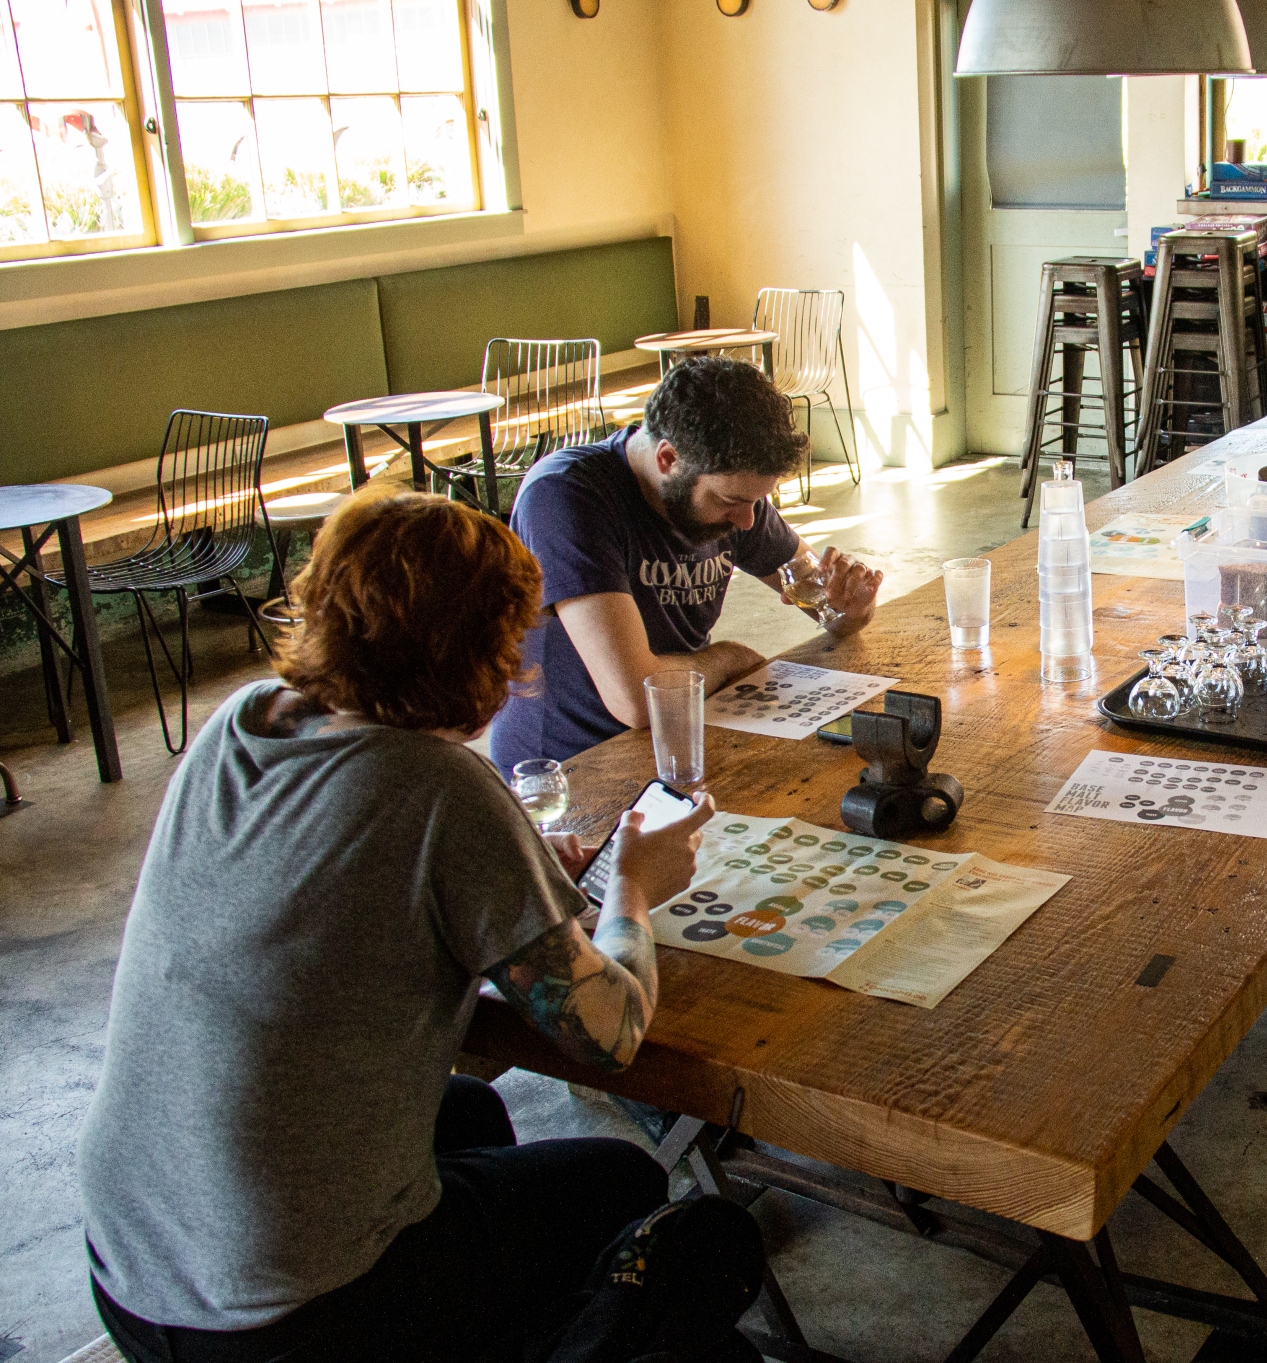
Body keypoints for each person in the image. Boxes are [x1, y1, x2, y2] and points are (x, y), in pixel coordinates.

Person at [77, 493, 766, 1363]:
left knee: (469, 1110)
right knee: (624, 1182)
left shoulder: (243, 720)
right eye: (515, 645)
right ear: (472, 652)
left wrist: (504, 885)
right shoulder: (439, 787)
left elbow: (341, 895)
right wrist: (632, 887)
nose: (528, 672)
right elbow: (610, 1036)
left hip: (134, 1269)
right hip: (291, 1319)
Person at [491, 356, 883, 774]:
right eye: (732, 502)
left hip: (679, 732)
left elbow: (821, 600)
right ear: (668, 459)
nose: (748, 521)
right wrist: (728, 657)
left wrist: (850, 607)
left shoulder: (731, 495)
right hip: (573, 766)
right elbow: (638, 698)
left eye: (757, 501)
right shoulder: (566, 496)